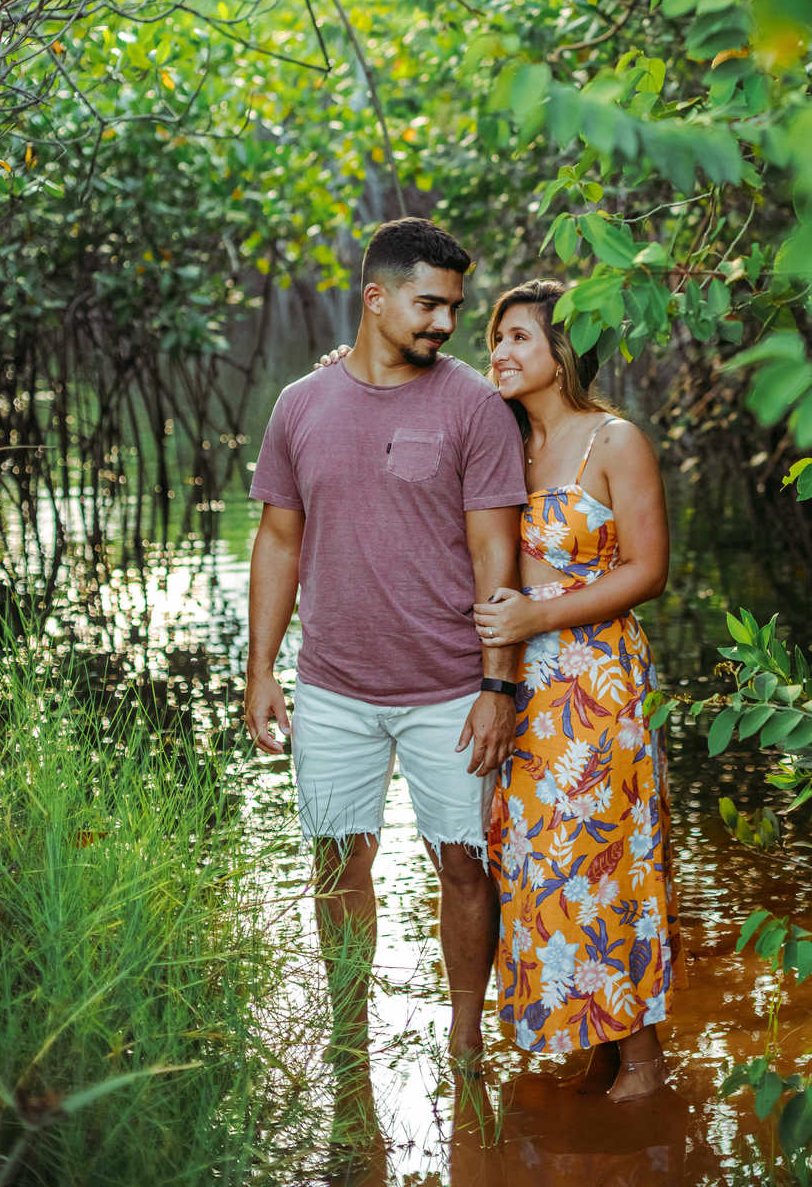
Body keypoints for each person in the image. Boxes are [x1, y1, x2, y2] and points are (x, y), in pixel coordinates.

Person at [243, 217, 527, 1126]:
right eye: (429, 303)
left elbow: (497, 558)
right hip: (332, 687)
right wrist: (261, 672)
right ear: (376, 299)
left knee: (466, 867)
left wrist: (495, 686)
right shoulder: (300, 405)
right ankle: (348, 1043)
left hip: (450, 686)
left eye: (454, 306)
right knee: (338, 869)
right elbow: (278, 542)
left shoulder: (474, 405)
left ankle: (467, 1044)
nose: (446, 322)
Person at [479, 279, 685, 1101]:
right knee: (539, 866)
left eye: (519, 337)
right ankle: (597, 1044)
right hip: (524, 691)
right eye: (494, 336)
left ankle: (644, 1064)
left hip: (600, 690)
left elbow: (650, 570)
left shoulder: (612, 440)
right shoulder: (500, 438)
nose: (499, 350)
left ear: (562, 352)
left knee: (609, 859)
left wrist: (539, 617)